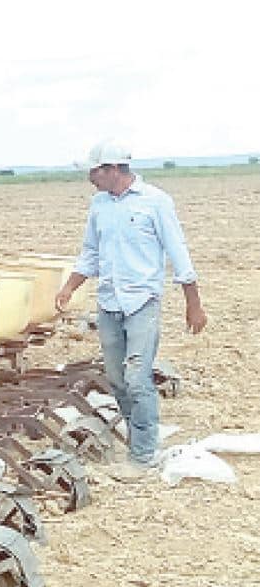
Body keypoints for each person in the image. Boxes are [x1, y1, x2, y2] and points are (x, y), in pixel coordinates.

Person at [55, 139, 209, 481]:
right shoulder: (99, 205)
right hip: (109, 302)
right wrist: (69, 287)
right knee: (116, 379)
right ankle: (137, 440)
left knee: (138, 379)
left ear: (111, 170)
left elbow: (178, 253)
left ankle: (143, 455)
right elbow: (90, 253)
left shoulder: (156, 202)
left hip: (142, 302)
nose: (89, 179)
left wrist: (193, 304)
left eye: (93, 172)